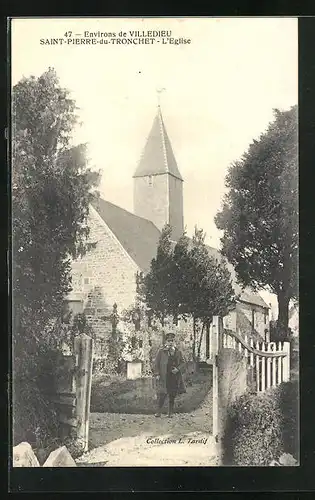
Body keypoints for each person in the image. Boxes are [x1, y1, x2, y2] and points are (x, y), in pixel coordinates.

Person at [153, 332, 186, 417]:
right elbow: (156, 363)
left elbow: (183, 363)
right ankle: (158, 411)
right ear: (166, 342)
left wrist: (177, 369)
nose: (170, 342)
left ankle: (170, 412)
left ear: (174, 342)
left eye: (172, 341)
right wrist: (157, 373)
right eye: (169, 341)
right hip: (164, 375)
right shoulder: (161, 351)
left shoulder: (178, 352)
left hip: (174, 376)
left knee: (172, 394)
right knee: (162, 393)